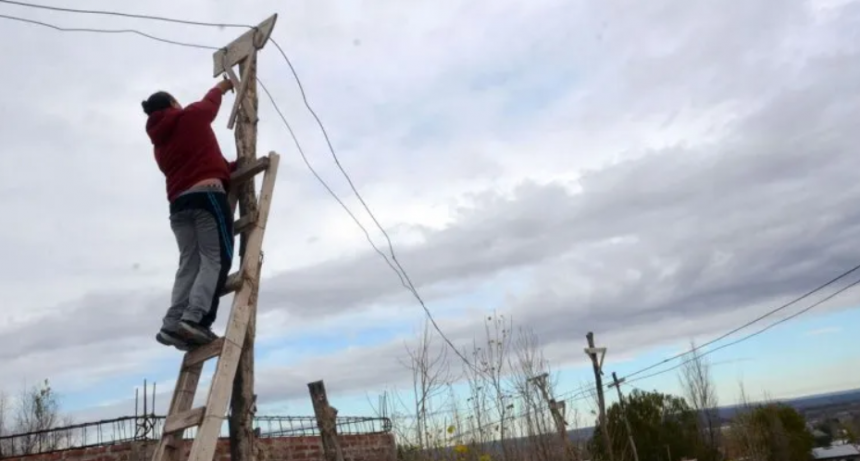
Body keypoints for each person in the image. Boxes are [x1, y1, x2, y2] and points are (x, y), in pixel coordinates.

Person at [142, 78, 237, 351]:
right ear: (173, 103)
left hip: (179, 206)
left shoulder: (159, 145)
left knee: (189, 264)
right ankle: (195, 319)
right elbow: (207, 106)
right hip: (206, 197)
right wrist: (222, 86)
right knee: (215, 258)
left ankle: (172, 324)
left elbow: (194, 162)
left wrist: (228, 168)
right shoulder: (188, 117)